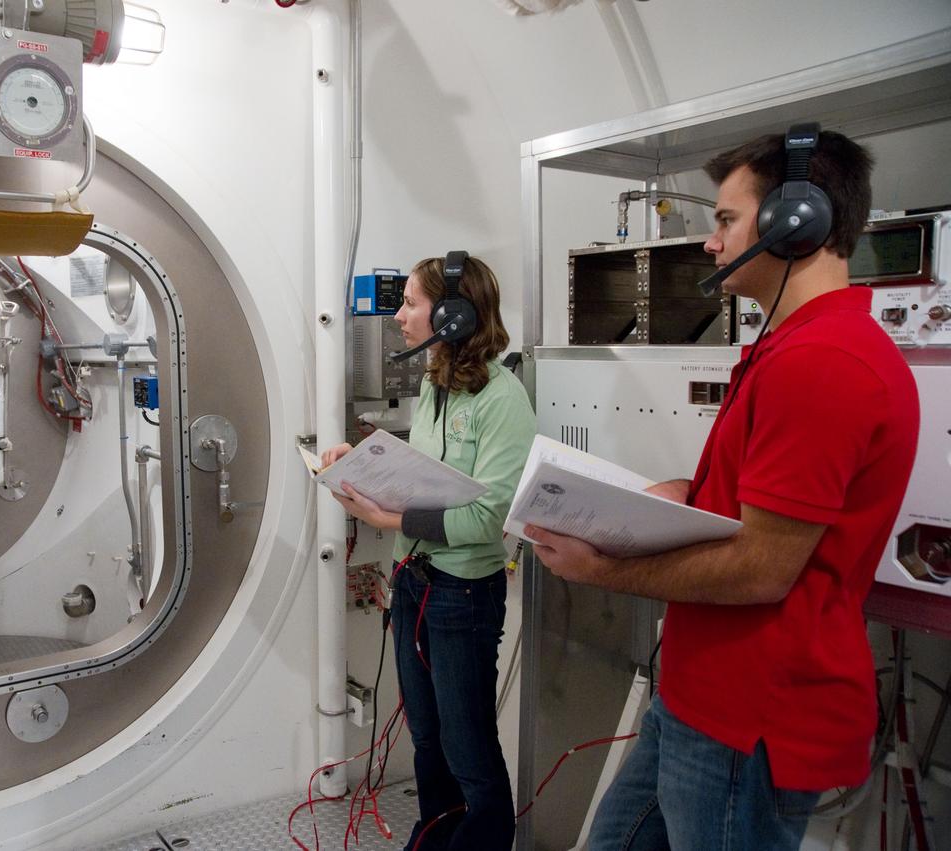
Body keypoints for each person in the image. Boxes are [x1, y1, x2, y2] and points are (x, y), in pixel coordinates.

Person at [527, 129, 920, 850]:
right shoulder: (790, 348)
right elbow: (755, 513)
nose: (711, 243)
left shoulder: (823, 363)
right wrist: (684, 492)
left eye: (725, 219)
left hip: (748, 718)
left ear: (795, 221)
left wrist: (602, 568)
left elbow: (763, 567)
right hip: (700, 698)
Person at [321, 255, 536, 851]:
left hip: (462, 594)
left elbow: (486, 517)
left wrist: (385, 517)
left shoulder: (501, 398)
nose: (398, 315)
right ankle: (434, 839)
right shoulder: (433, 383)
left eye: (410, 303)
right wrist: (361, 459)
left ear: (451, 315)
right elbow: (428, 476)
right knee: (427, 737)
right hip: (413, 581)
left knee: (467, 746)